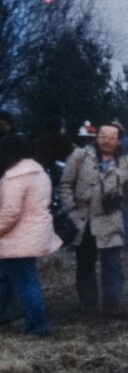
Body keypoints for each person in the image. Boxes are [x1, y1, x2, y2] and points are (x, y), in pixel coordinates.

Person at [59, 121, 128, 316]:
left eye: (112, 137)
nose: (106, 141)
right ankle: (88, 303)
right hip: (84, 222)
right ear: (96, 137)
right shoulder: (80, 156)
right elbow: (66, 184)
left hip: (111, 221)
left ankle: (112, 305)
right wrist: (71, 207)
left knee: (112, 265)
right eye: (102, 136)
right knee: (85, 264)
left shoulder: (127, 163)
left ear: (119, 141)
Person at [0, 134, 61, 337]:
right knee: (7, 280)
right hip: (31, 235)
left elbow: (10, 212)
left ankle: (38, 327)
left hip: (17, 238)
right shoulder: (37, 171)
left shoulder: (14, 177)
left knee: (25, 284)